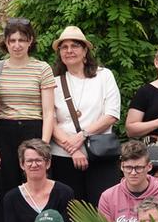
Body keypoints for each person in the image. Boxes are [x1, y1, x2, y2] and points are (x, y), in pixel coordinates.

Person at [0, 18, 58, 222]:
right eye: (12, 40)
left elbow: (48, 112)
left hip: (33, 132)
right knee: (6, 195)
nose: (17, 45)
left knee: (37, 190)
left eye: (22, 40)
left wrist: (44, 146)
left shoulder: (42, 68)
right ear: (6, 43)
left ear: (30, 42)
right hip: (4, 133)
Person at [49, 26, 122, 206]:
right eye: (64, 47)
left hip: (100, 155)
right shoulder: (53, 81)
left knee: (104, 210)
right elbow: (50, 121)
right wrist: (73, 149)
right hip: (64, 156)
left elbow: (111, 114)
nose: (69, 51)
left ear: (85, 50)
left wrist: (82, 135)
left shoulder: (104, 76)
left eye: (74, 46)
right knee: (71, 212)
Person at [0, 140, 75, 222]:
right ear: (22, 164)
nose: (34, 164)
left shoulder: (64, 192)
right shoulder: (11, 198)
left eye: (39, 160)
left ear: (48, 163)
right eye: (29, 161)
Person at [96, 140, 158, 222]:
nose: (133, 173)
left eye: (139, 167)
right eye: (128, 167)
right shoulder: (108, 197)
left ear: (149, 166)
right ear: (121, 167)